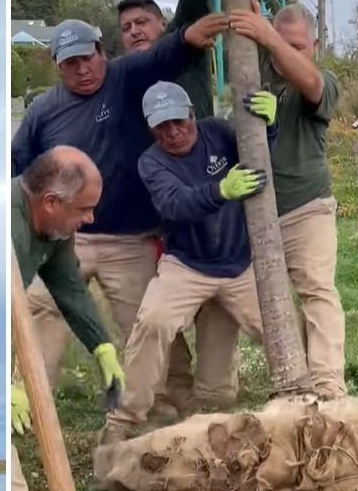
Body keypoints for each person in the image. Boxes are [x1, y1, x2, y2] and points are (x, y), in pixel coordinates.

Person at [13, 11, 227, 388]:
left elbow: (162, 56)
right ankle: (29, 399)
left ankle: (170, 396)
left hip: (129, 238)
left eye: (88, 57)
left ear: (101, 52)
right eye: (71, 63)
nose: (83, 69)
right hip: (65, 239)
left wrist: (189, 35)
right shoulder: (42, 112)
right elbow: (18, 168)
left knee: (146, 321)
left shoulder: (125, 77)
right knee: (40, 310)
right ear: (58, 66)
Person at [101, 81, 273, 443]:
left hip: (239, 264)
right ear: (151, 128)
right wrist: (220, 190)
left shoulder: (220, 132)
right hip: (187, 264)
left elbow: (259, 150)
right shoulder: (152, 162)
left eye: (180, 121)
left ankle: (310, 394)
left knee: (270, 338)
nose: (173, 132)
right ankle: (125, 419)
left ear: (193, 114)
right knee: (152, 321)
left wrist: (270, 124)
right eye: (162, 126)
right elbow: (173, 204)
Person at [116, 0, 241, 416]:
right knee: (157, 306)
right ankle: (172, 389)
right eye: (125, 27)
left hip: (211, 184)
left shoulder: (182, 46)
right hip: (154, 206)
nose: (133, 32)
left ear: (162, 24)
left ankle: (213, 387)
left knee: (217, 294)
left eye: (142, 22)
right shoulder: (124, 75)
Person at [228, 0, 347, 398]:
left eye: (299, 46)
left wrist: (270, 38)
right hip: (255, 213)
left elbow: (310, 85)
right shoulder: (255, 71)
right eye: (283, 42)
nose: (289, 52)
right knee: (252, 301)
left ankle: (328, 386)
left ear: (313, 47)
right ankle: (296, 371)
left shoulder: (322, 80)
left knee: (317, 291)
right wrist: (256, 19)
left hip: (307, 207)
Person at [9, 146, 112, 491]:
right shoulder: (4, 230)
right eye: (84, 209)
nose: (90, 219)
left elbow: (67, 284)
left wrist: (101, 345)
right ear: (51, 202)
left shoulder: (51, 229)